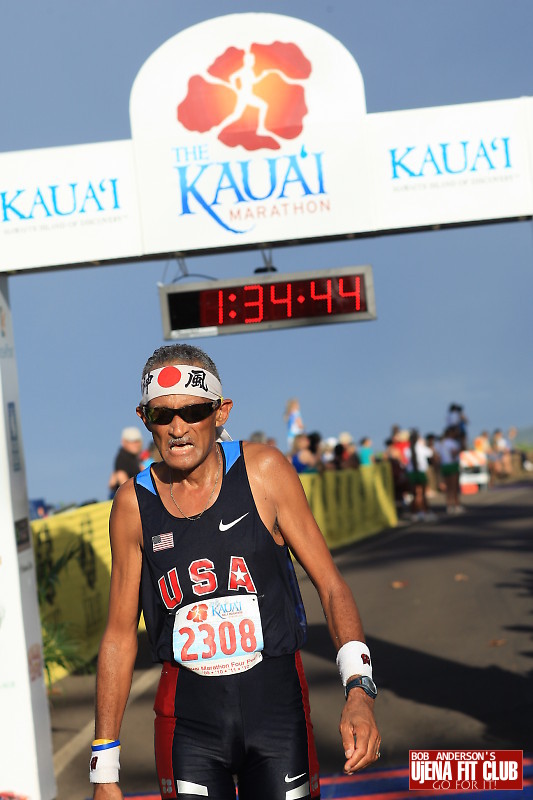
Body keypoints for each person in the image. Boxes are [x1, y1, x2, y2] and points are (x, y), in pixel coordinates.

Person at [92, 344, 380, 800]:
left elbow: (330, 585)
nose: (179, 428)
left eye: (194, 411)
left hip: (276, 708)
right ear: (145, 418)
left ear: (221, 412)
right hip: (188, 721)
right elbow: (119, 634)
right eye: (163, 416)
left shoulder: (264, 472)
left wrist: (359, 690)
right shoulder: (133, 504)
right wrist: (104, 768)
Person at [108, 427, 143, 498]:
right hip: (130, 498)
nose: (135, 444)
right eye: (132, 441)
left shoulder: (133, 458)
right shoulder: (123, 457)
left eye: (137, 441)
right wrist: (134, 497)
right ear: (124, 442)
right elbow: (122, 478)